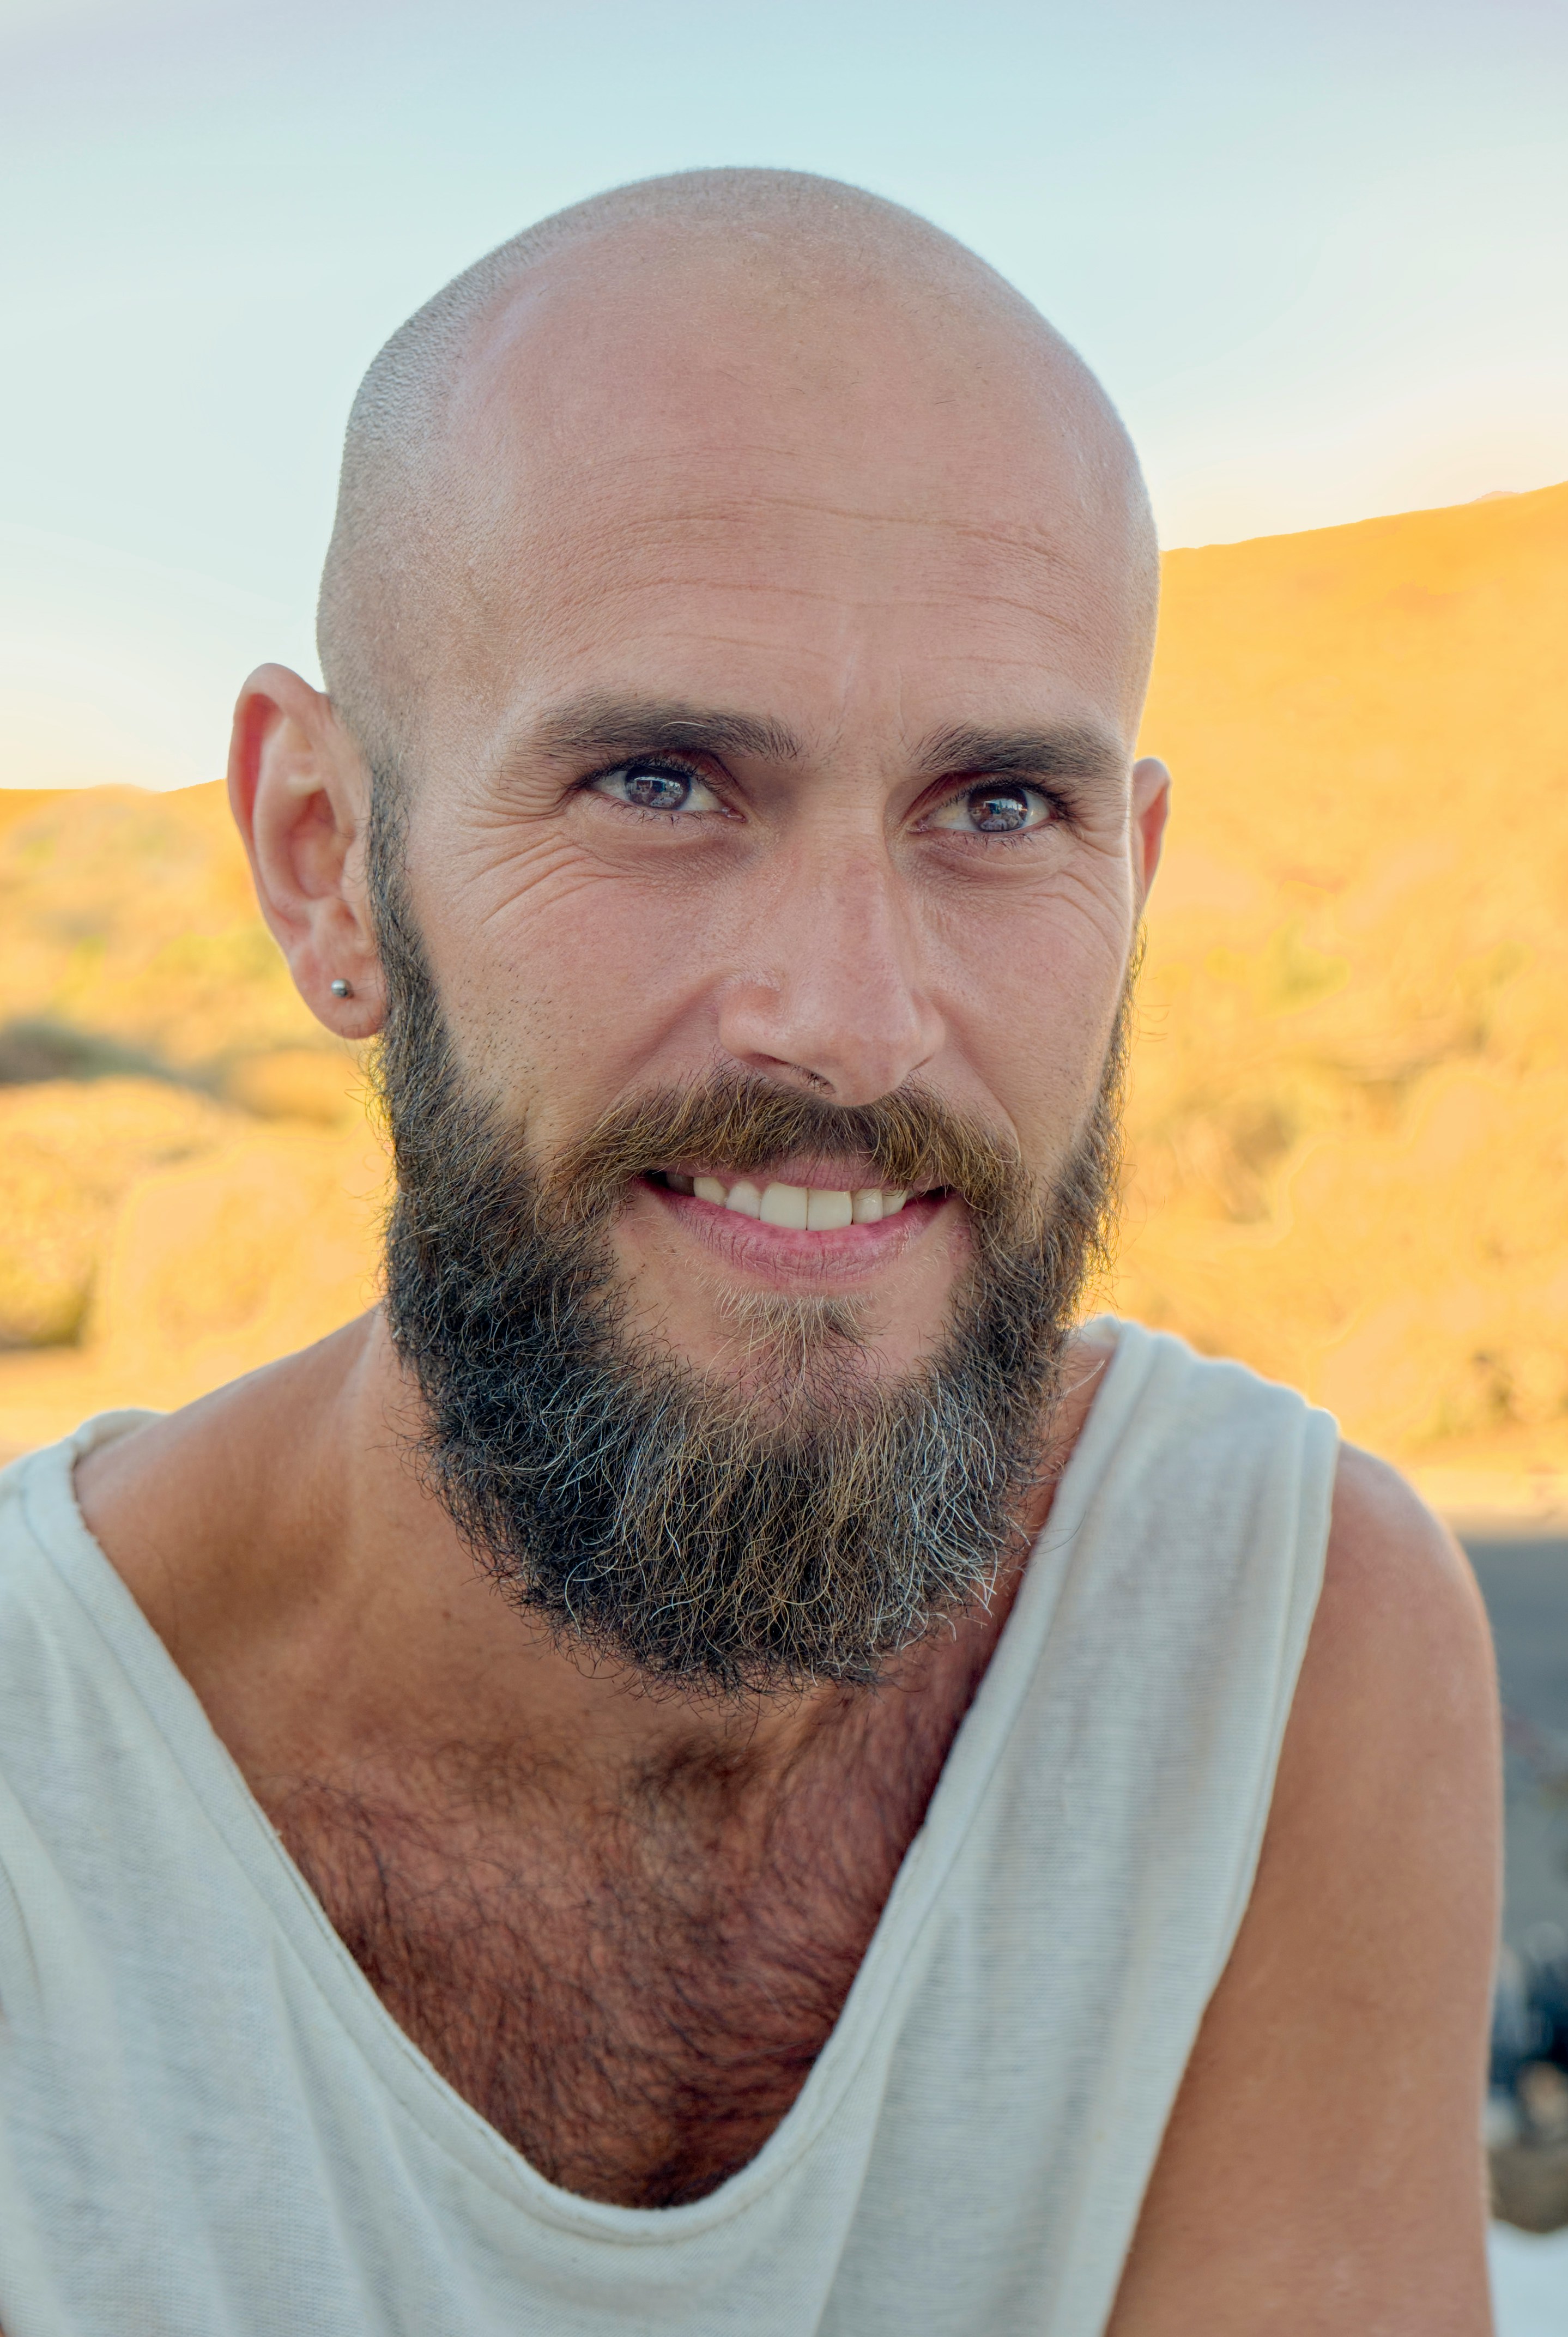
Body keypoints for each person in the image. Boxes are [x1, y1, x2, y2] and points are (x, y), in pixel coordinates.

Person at [0, 169, 1499, 2335]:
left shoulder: (1277, 1643)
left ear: (1132, 881)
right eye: (658, 779)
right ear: (327, 864)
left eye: (1000, 808)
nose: (855, 1015)